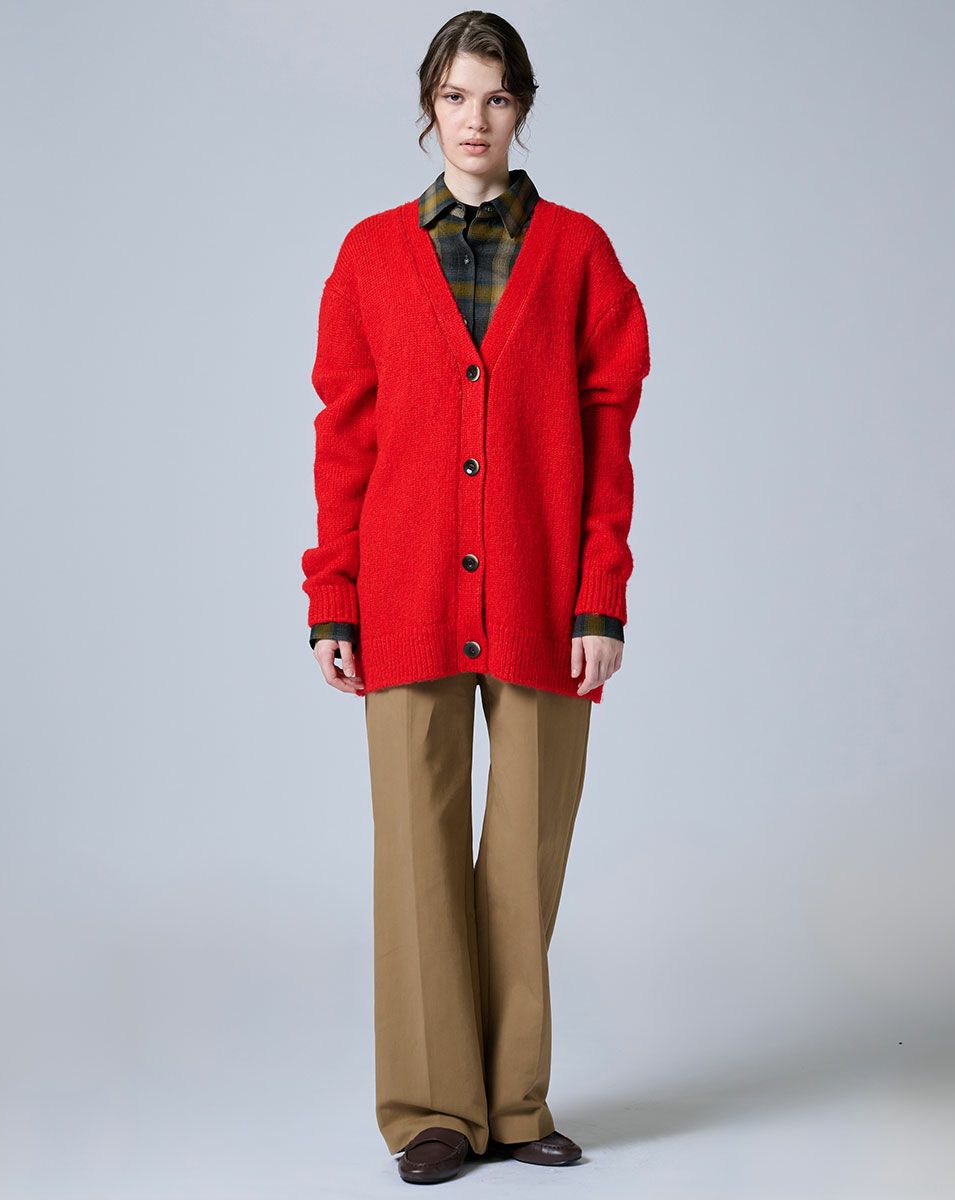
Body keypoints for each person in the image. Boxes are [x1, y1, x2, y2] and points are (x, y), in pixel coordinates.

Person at [301, 11, 650, 1186]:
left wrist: (599, 599)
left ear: (522, 108)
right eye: (455, 97)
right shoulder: (368, 255)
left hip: (548, 593)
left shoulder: (581, 252)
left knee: (523, 853)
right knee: (416, 850)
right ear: (428, 106)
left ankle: (514, 1100)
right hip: (400, 592)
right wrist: (333, 596)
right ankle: (432, 1111)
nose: (475, 119)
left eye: (496, 98)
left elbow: (608, 436)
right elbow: (344, 436)